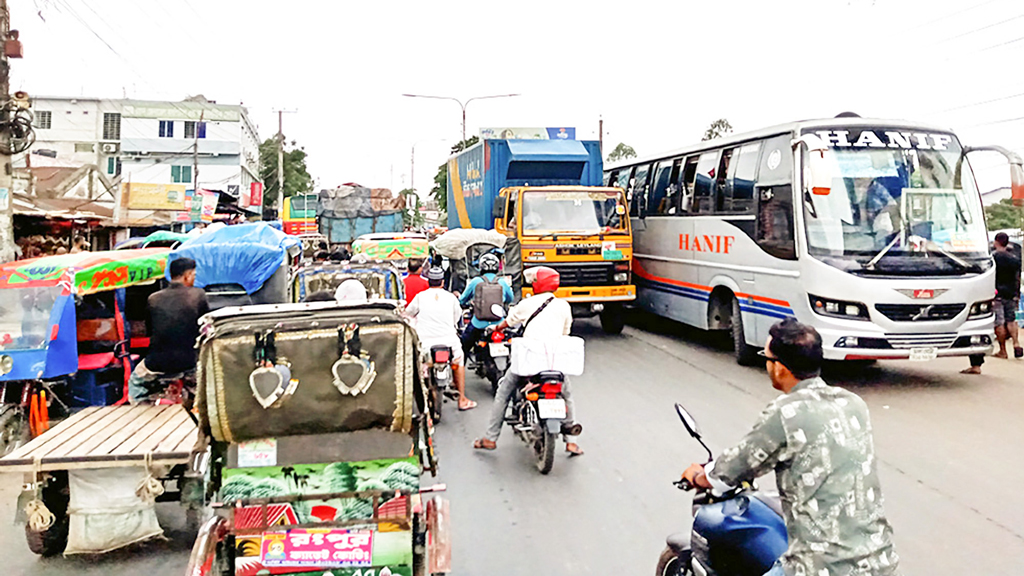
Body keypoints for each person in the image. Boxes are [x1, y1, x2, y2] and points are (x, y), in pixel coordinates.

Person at [682, 318, 899, 576]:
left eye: (767, 357)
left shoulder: (785, 413)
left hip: (820, 568)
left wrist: (701, 475)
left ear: (780, 368)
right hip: (881, 560)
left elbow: (738, 465)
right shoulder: (853, 404)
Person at [473, 266, 584, 456]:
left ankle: (491, 438)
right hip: (554, 363)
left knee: (503, 392)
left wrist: (496, 329)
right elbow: (566, 333)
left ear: (536, 285)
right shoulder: (564, 305)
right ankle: (571, 443)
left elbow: (507, 322)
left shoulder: (526, 304)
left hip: (529, 362)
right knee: (567, 394)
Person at [128, 258, 210, 403]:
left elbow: (150, 330)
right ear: (187, 275)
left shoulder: (153, 298)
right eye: (194, 275)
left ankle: (140, 410)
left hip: (157, 363)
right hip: (189, 362)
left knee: (135, 384)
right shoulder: (198, 295)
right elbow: (204, 329)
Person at [405, 267, 476, 411]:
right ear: (442, 282)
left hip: (425, 342)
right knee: (459, 361)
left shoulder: (420, 296)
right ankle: (462, 398)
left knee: (416, 365)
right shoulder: (451, 298)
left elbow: (408, 313)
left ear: (429, 282)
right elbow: (457, 319)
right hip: (449, 340)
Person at [458, 253, 513, 365]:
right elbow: (510, 298)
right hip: (499, 324)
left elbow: (462, 300)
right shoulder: (502, 282)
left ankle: (459, 374)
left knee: (463, 346)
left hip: (478, 324)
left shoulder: (475, 281)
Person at [992, 232, 1022, 359]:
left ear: (996, 242)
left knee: (999, 321)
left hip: (997, 293)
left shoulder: (993, 258)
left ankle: (1003, 350)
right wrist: (1016, 292)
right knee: (1011, 319)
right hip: (1010, 293)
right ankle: (1016, 343)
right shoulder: (1014, 259)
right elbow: (1017, 277)